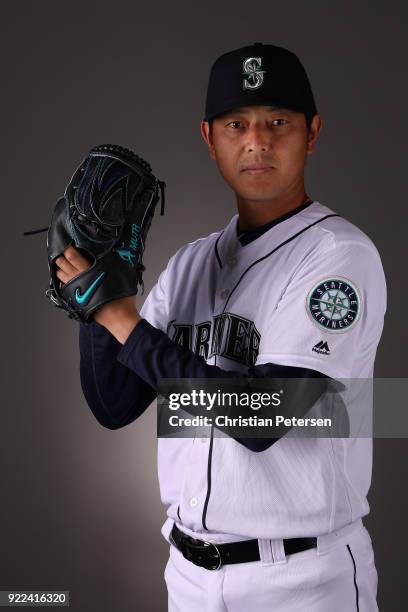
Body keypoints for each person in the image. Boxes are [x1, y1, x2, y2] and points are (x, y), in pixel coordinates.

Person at [55, 43, 386, 611]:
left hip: (302, 582)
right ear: (210, 139)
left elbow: (266, 417)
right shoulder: (190, 263)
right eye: (237, 123)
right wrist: (104, 281)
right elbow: (113, 402)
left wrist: (118, 316)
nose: (257, 140)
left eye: (278, 121)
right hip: (188, 577)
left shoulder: (338, 256)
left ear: (312, 132)